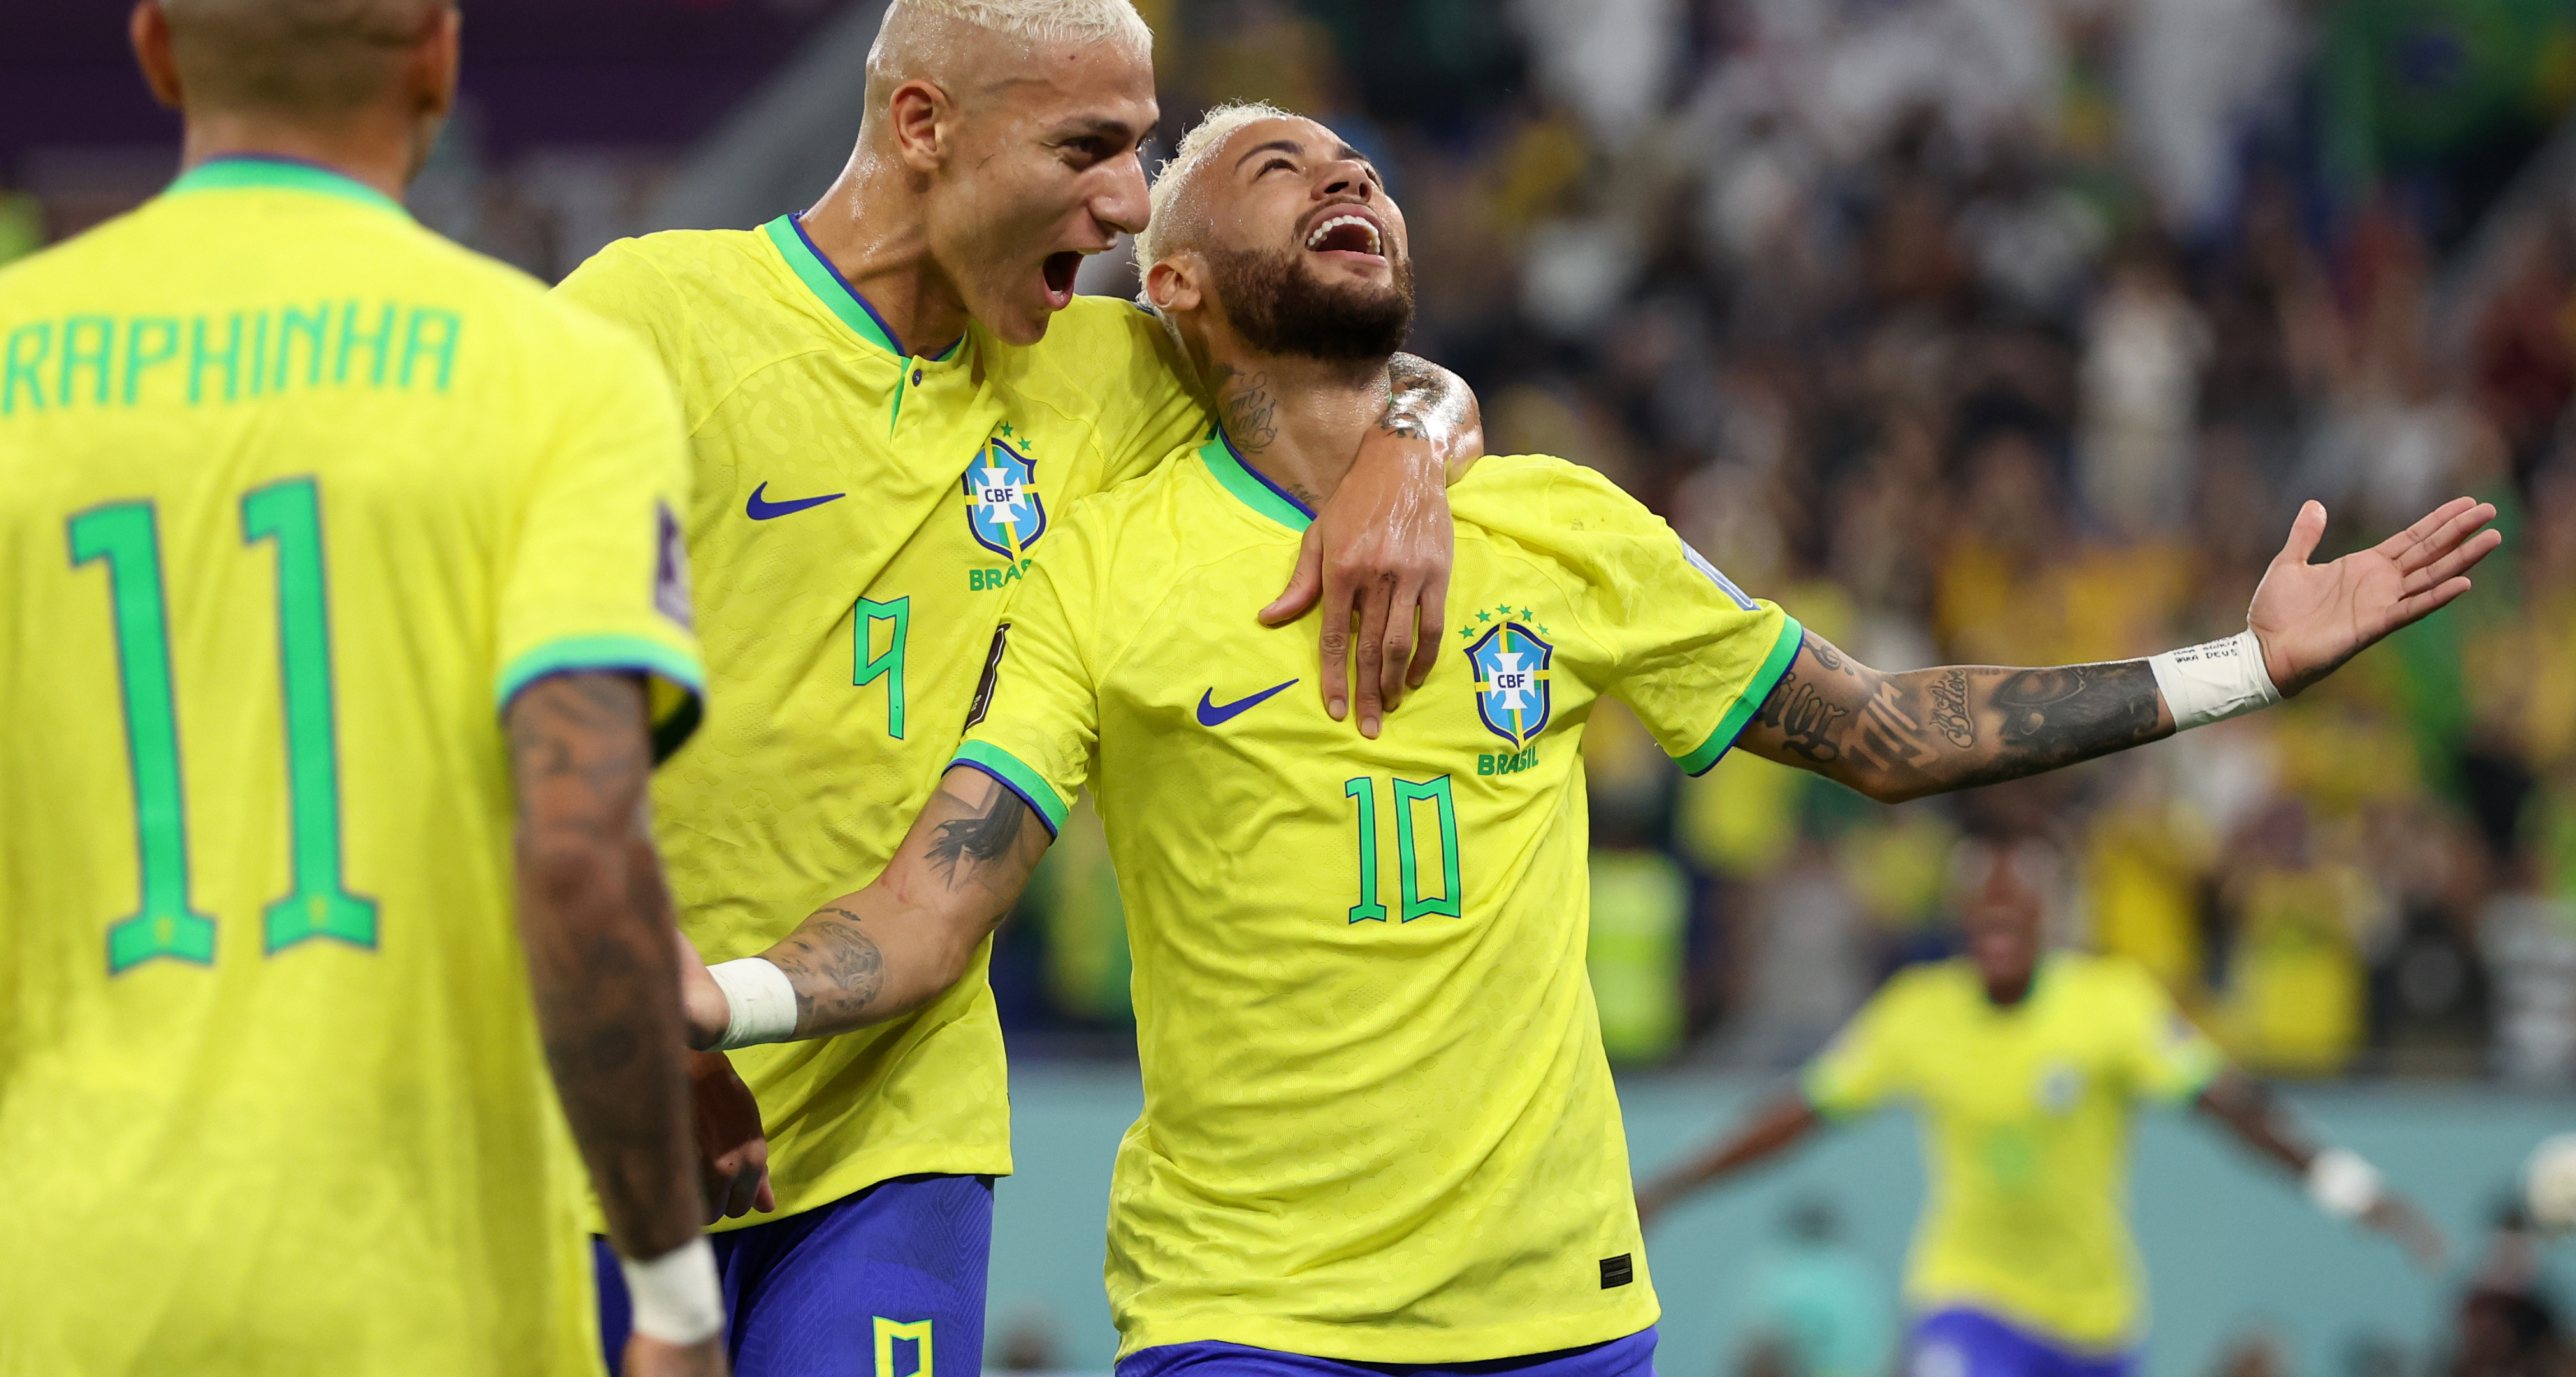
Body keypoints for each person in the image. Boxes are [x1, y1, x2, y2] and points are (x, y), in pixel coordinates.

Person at [676, 102, 2498, 1376]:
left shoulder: (1558, 525)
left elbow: (1880, 728)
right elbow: (929, 910)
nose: (1350, 174)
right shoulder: (1103, 571)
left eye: (1363, 164)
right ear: (1177, 285)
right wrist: (724, 997)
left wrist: (2235, 671)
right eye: (1279, 165)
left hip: (1563, 1308)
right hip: (1249, 1314)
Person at [557, 0, 1479, 1374]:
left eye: (1145, 150)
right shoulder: (654, 321)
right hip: (596, 1104)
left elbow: (1381, 373)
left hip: (894, 1124)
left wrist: (1407, 463)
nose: (1127, 205)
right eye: (1086, 148)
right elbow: (485, 691)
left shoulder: (1104, 373)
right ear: (925, 125)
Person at [0, 0, 755, 1375]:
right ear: (437, 57)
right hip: (424, 1298)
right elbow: (578, 851)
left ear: (157, 49)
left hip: (58, 1287)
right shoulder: (558, 378)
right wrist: (675, 1294)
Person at [1635, 835, 2450, 1377]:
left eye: (2013, 912)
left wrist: (2347, 1184)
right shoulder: (1918, 1011)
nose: (1996, 927)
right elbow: (1797, 1114)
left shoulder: (2110, 1005)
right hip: (1968, 1297)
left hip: (2095, 1321)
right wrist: (1670, 1185)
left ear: (2044, 918)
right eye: (1981, 915)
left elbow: (2231, 1109)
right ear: (1962, 922)